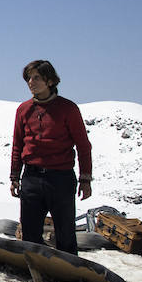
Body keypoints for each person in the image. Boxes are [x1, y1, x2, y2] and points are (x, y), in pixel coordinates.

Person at [10, 59, 93, 254]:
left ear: (49, 81)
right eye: (28, 78)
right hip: (31, 178)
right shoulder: (23, 110)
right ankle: (35, 277)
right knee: (30, 234)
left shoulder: (68, 109)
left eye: (36, 78)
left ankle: (69, 278)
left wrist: (85, 179)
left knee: (65, 234)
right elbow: (17, 145)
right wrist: (14, 177)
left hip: (60, 178)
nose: (31, 82)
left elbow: (83, 146)